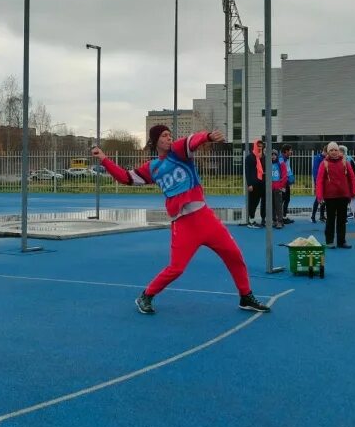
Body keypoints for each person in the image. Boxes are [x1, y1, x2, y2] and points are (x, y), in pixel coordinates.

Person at [92, 125, 271, 314]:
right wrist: (104, 159)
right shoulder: (152, 168)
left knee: (234, 255)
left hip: (205, 217)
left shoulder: (178, 152)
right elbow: (125, 177)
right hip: (183, 224)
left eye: (170, 135)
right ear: (155, 141)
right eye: (164, 136)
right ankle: (146, 295)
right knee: (176, 269)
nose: (169, 138)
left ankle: (245, 296)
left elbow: (192, 140)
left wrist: (208, 136)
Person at [316, 142, 355, 249]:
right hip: (330, 197)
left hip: (343, 196)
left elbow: (352, 178)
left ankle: (341, 241)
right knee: (330, 220)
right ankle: (329, 241)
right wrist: (319, 195)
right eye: (331, 150)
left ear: (339, 151)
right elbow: (319, 180)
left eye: (335, 150)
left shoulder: (345, 162)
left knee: (342, 220)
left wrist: (353, 192)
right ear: (328, 152)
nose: (334, 152)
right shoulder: (324, 163)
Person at [243, 139, 266, 228]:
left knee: (264, 201)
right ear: (255, 146)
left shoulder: (264, 157)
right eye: (258, 146)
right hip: (253, 183)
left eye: (261, 146)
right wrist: (249, 184)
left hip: (263, 183)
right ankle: (251, 220)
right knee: (253, 202)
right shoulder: (250, 157)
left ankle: (263, 218)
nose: (260, 148)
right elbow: (247, 171)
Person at [269, 149, 288, 229]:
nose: (273, 156)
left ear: (277, 156)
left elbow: (284, 175)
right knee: (271, 205)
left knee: (278, 205)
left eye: (274, 155)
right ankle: (274, 220)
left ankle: (280, 221)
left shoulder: (281, 164)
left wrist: (281, 185)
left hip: (278, 187)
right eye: (271, 155)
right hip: (270, 187)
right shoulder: (268, 164)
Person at [310, 147, 327, 223]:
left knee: (324, 198)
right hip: (319, 181)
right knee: (318, 198)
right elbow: (315, 171)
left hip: (325, 181)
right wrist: (318, 182)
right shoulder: (318, 158)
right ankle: (313, 216)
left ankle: (322, 216)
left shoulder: (326, 158)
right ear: (324, 151)